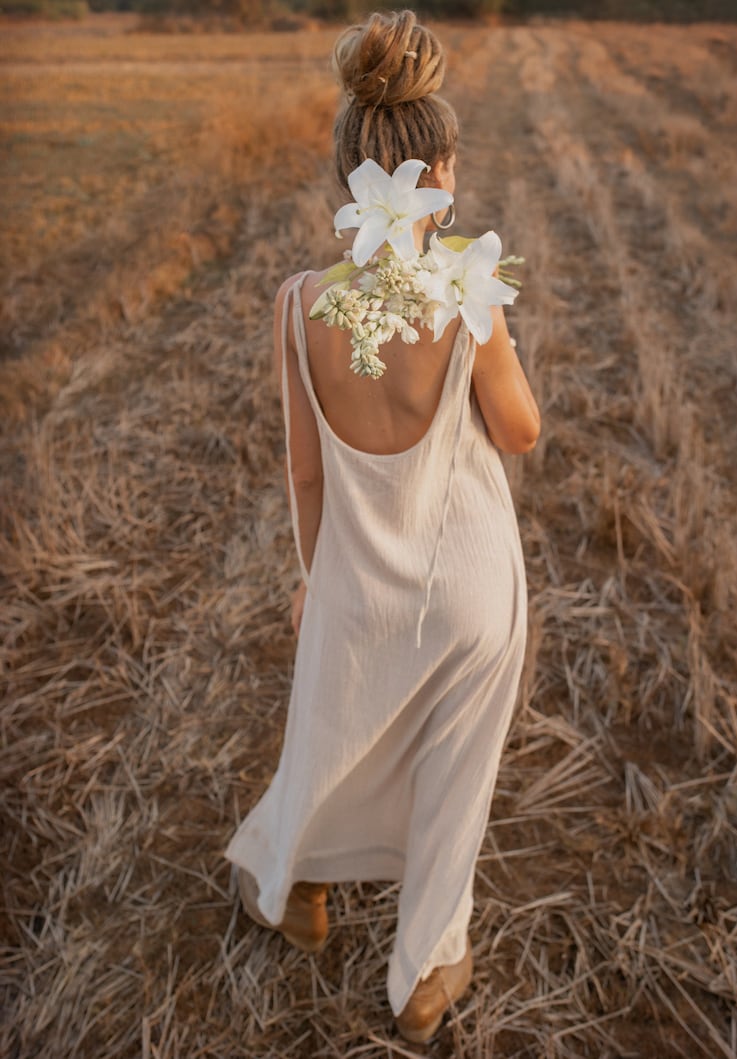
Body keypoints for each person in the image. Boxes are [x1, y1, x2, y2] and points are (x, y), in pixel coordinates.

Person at [225, 9, 541, 1045]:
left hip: (357, 575)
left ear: (347, 172)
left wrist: (316, 575)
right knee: (453, 777)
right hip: (468, 587)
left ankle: (298, 892)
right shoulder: (462, 286)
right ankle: (419, 980)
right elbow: (521, 431)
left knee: (330, 734)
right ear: (439, 170)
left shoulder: (302, 303)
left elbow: (306, 474)